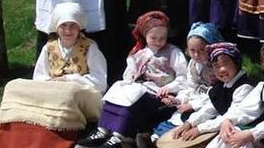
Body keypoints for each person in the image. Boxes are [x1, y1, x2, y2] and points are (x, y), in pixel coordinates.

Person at [0, 3, 107, 148]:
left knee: (67, 94)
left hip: (80, 94)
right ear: (57, 27)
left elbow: (100, 82)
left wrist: (70, 79)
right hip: (52, 89)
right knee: (13, 86)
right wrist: (51, 82)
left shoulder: (90, 47)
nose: (68, 30)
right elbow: (39, 77)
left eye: (73, 26)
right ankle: (11, 124)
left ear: (79, 27)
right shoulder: (49, 47)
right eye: (63, 26)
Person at [78, 11, 188, 148]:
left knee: (133, 97)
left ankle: (119, 134)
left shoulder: (173, 52)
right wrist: (131, 76)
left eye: (162, 38)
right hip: (141, 86)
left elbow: (183, 76)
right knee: (118, 87)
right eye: (153, 38)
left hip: (159, 91)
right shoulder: (139, 53)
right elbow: (129, 72)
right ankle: (103, 129)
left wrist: (169, 87)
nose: (158, 42)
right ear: (145, 35)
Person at [177, 39, 264, 148]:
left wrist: (251, 134)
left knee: (239, 140)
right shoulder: (263, 86)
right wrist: (228, 120)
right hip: (257, 134)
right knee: (226, 137)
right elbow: (245, 110)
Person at [160, 42, 256, 148]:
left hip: (244, 131)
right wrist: (190, 123)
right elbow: (210, 108)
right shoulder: (220, 87)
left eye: (225, 64)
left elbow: (232, 116)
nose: (222, 69)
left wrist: (200, 129)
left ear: (236, 63)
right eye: (217, 66)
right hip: (226, 125)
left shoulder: (244, 87)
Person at [151, 22, 225, 141]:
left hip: (209, 104)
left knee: (187, 124)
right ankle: (153, 140)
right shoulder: (193, 64)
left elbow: (217, 95)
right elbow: (190, 87)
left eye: (202, 50)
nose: (196, 54)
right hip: (192, 101)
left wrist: (192, 105)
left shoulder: (217, 68)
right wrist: (178, 99)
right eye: (192, 50)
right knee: (172, 121)